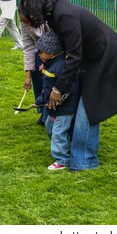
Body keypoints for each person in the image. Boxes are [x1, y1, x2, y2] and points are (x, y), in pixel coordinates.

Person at [18, 0, 117, 172]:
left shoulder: (64, 15)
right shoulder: (57, 15)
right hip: (93, 58)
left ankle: (85, 160)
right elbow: (66, 51)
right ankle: (75, 153)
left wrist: (58, 89)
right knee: (82, 104)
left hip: (107, 58)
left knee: (88, 108)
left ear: (37, 4)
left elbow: (74, 55)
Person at [33, 31, 81, 170]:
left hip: (64, 109)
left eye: (41, 52)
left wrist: (61, 100)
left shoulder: (61, 67)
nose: (39, 54)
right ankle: (65, 150)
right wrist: (40, 101)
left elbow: (70, 88)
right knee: (50, 129)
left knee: (58, 132)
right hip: (52, 109)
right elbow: (46, 88)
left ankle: (62, 160)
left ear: (50, 52)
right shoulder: (49, 65)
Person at [21, 21, 51, 126]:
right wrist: (28, 76)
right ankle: (43, 112)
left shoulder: (48, 18)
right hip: (39, 54)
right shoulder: (24, 23)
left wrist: (47, 63)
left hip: (53, 53)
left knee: (50, 84)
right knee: (39, 83)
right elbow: (28, 48)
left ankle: (51, 114)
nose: (24, 22)